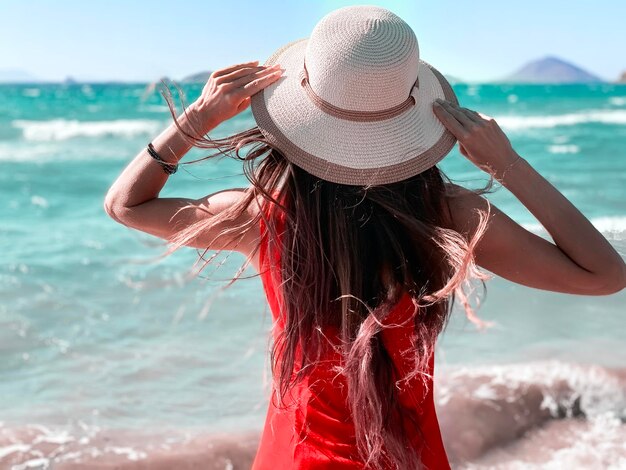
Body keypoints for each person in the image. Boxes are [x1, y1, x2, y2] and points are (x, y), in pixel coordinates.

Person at [104, 5, 625, 469]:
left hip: (296, 455)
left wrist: (196, 120)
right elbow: (605, 275)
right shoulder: (448, 213)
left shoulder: (268, 213)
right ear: (413, 104)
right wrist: (507, 164)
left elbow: (125, 206)